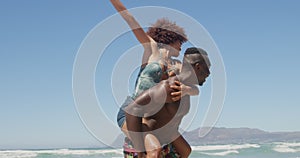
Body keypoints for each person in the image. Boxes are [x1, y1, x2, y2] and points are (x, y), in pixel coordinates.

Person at [110, 0, 199, 157]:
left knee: (185, 150)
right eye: (180, 41)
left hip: (154, 117)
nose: (181, 46)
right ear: (170, 37)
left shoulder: (177, 65)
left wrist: (186, 89)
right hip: (132, 113)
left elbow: (196, 90)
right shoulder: (151, 49)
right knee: (154, 150)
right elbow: (129, 18)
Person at [125, 47, 211, 158]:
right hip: (149, 141)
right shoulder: (167, 87)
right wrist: (140, 150)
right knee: (155, 153)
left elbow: (195, 90)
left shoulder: (186, 88)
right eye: (208, 68)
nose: (208, 74)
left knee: (185, 151)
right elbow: (132, 110)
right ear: (198, 67)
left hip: (167, 139)